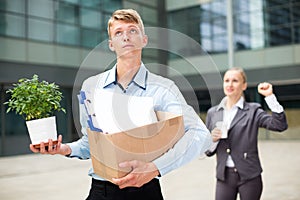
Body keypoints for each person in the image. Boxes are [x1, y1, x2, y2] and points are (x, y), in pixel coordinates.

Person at [30, 9, 212, 200]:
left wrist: (155, 168)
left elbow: (200, 134)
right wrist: (65, 149)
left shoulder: (164, 89)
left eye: (133, 30)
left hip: (146, 190)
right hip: (101, 190)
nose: (126, 37)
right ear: (111, 44)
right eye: (118, 32)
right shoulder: (91, 86)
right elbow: (90, 143)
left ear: (144, 40)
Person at [205, 67, 288, 200]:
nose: (230, 84)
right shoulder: (213, 113)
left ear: (244, 85)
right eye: (226, 80)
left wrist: (270, 97)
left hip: (250, 176)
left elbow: (280, 125)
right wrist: (212, 140)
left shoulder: (253, 110)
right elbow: (207, 151)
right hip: (224, 176)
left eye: (235, 81)